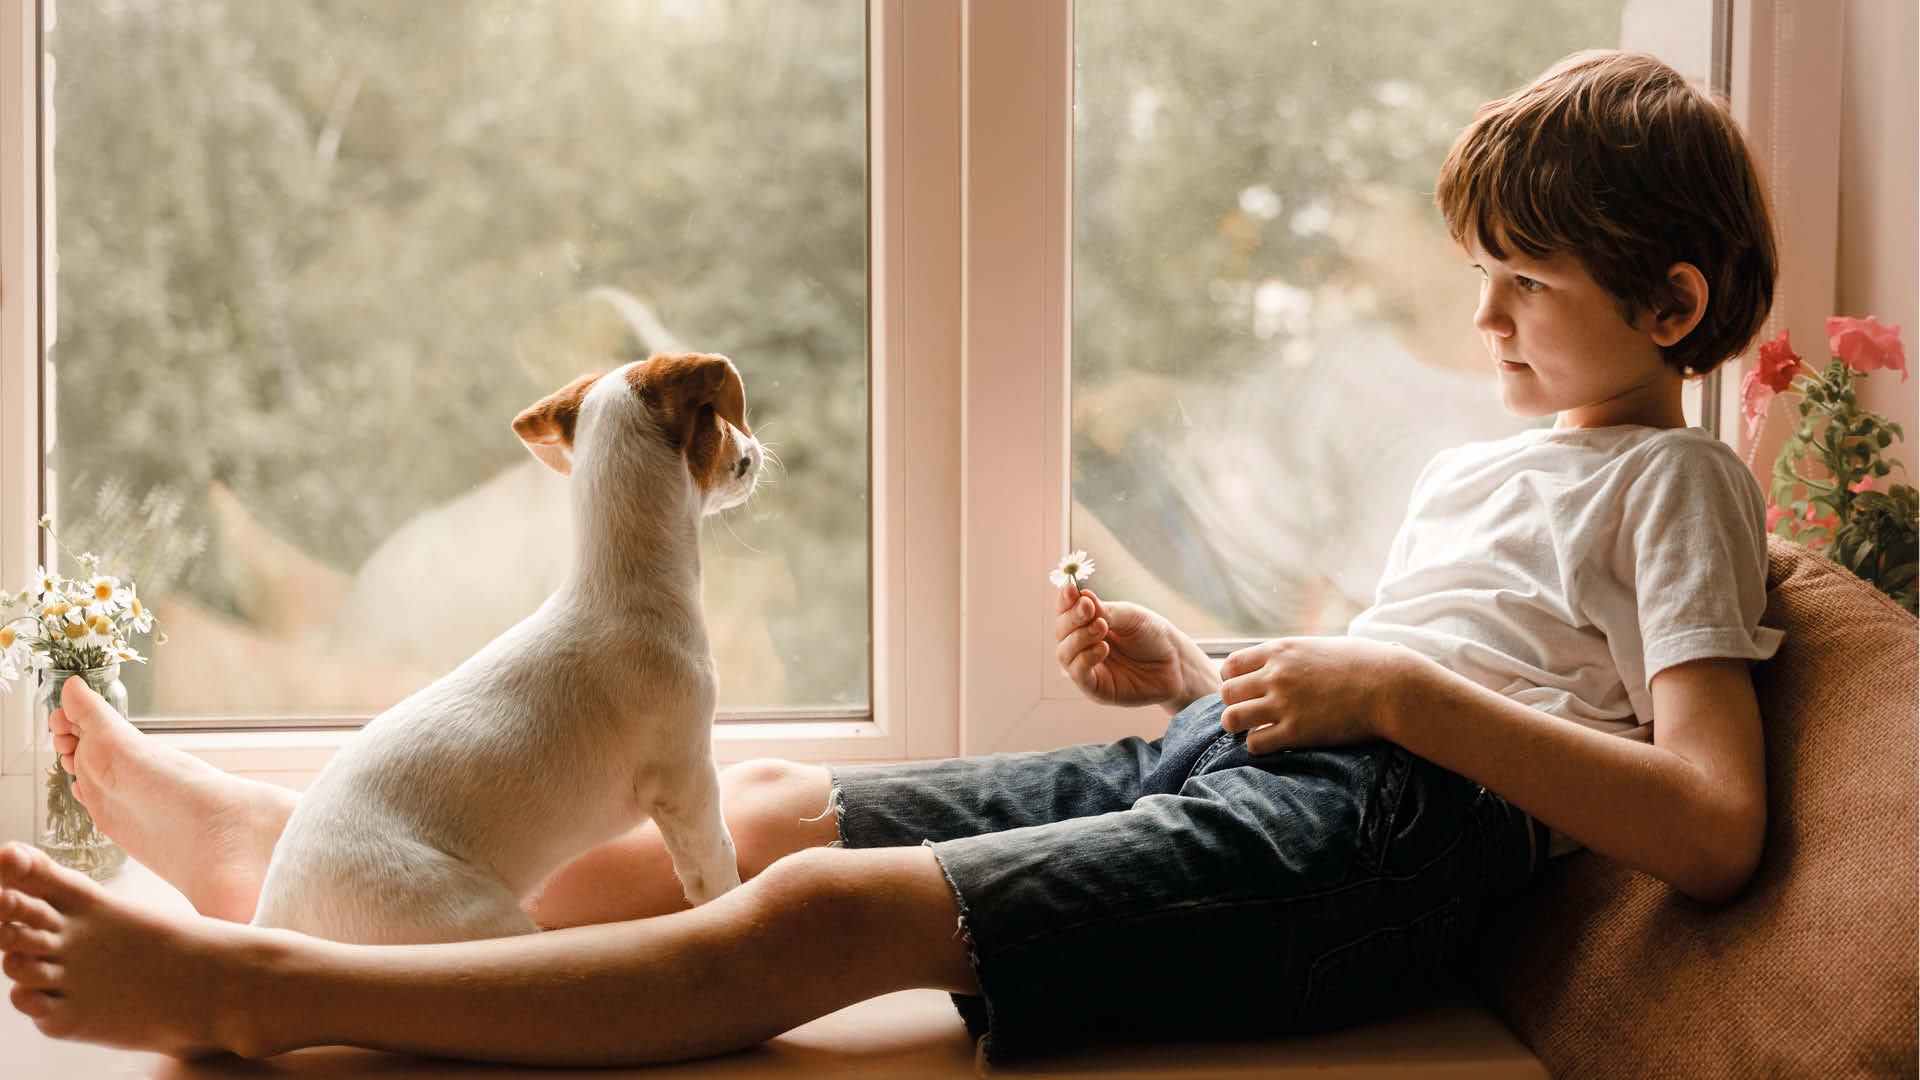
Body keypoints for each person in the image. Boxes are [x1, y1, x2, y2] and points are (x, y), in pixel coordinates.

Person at [0, 48, 1783, 1066]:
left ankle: (263, 984)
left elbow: (1708, 822)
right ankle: (292, 857)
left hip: (1379, 855)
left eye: (1523, 283)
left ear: (1670, 303)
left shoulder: (1681, 495)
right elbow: (1404, 668)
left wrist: (1387, 689)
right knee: (767, 804)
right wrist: (1199, 670)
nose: (1479, 316)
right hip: (1260, 763)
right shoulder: (1495, 465)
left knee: (826, 915)